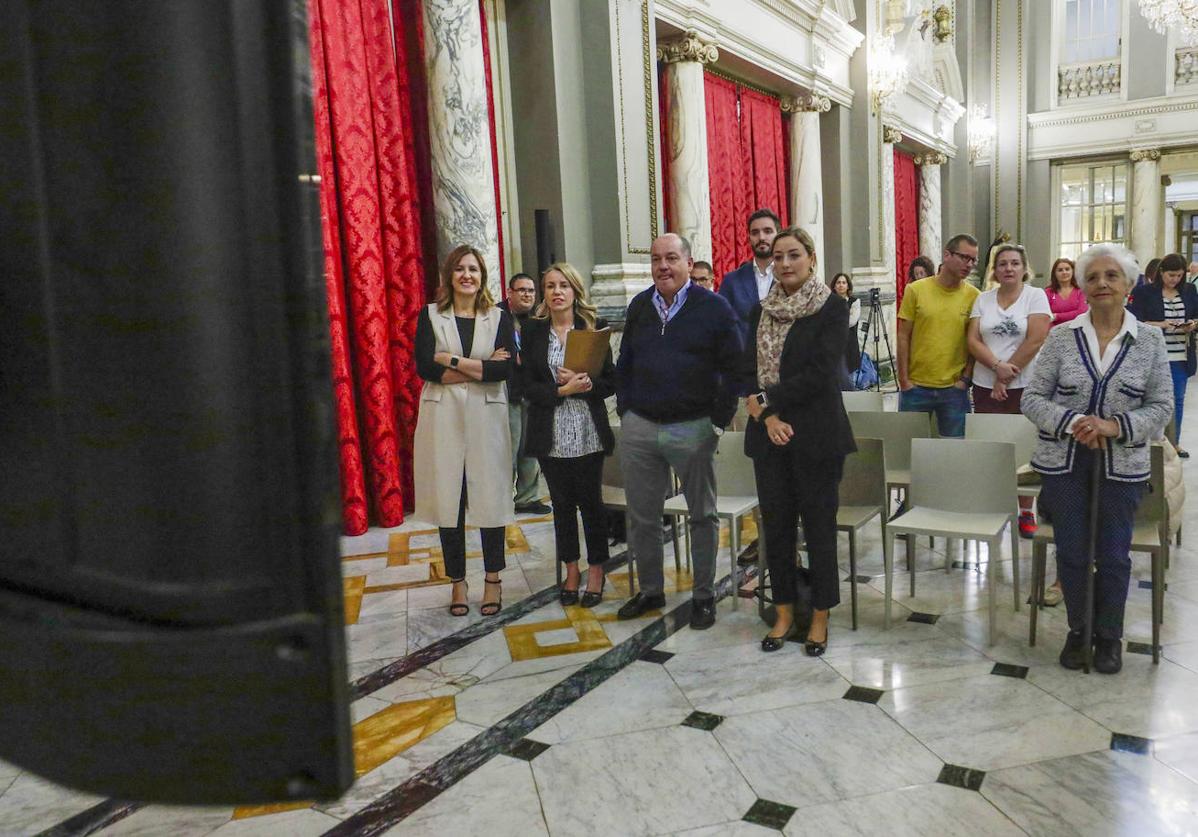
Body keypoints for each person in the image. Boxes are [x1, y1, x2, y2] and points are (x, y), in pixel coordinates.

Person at [1022, 243, 1172, 674]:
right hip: (1064, 466)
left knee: (1113, 555)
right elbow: (1033, 398)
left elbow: (1161, 406)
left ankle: (1109, 638)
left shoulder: (1150, 341)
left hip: (1122, 468)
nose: (1102, 283)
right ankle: (1077, 631)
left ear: (1129, 284)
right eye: (1093, 277)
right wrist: (1074, 422)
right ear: (1083, 287)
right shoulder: (1061, 337)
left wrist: (1113, 426)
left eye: (1111, 276)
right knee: (1070, 552)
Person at [616, 233, 743, 628]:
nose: (663, 267)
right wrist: (626, 409)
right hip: (640, 426)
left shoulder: (715, 308)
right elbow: (626, 362)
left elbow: (736, 366)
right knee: (643, 516)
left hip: (693, 427)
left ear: (689, 262)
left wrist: (717, 421)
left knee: (702, 516)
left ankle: (704, 596)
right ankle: (651, 590)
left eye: (671, 258)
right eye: (656, 259)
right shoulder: (640, 306)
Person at [742, 228, 855, 654]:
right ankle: (785, 611)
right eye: (778, 256)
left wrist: (768, 400)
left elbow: (822, 372)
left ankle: (821, 616)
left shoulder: (831, 306)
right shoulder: (760, 310)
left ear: (811, 257)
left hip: (817, 436)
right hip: (768, 434)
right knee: (777, 530)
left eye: (794, 255)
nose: (785, 263)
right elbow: (745, 367)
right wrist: (768, 416)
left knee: (820, 529)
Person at [414, 244, 517, 617]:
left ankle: (493, 580)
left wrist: (453, 361)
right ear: (449, 275)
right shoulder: (430, 316)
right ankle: (458, 582)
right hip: (443, 419)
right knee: (449, 501)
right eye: (460, 269)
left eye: (473, 269)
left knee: (490, 499)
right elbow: (425, 367)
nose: (467, 275)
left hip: (487, 418)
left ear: (482, 276)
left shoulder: (497, 317)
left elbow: (504, 370)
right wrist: (479, 366)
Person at [521, 263, 615, 607]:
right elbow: (527, 388)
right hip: (551, 434)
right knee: (561, 506)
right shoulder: (533, 332)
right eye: (550, 286)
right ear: (544, 294)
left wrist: (585, 384)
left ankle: (596, 571)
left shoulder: (594, 327)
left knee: (591, 504)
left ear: (575, 291)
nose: (557, 291)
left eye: (563, 285)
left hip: (588, 431)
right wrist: (561, 390)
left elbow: (610, 382)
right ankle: (571, 570)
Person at [967, 243, 1051, 538]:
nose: (1009, 269)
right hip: (984, 385)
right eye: (1002, 264)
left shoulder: (1035, 296)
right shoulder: (982, 299)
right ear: (995, 269)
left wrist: (1005, 374)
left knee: (1023, 447)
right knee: (991, 447)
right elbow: (973, 340)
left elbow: (1036, 339)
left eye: (1015, 263)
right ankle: (992, 507)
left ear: (1024, 267)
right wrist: (995, 367)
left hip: (1025, 384)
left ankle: (1026, 510)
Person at [896, 234, 981, 437]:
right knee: (909, 450)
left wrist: (965, 379)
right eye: (964, 257)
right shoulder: (916, 290)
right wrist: (904, 380)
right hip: (915, 388)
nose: (969, 265)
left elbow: (974, 341)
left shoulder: (974, 296)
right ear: (947, 254)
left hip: (954, 390)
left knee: (954, 451)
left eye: (973, 260)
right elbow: (902, 336)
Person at [1128, 253, 1198, 458]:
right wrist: (1162, 325)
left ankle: (1174, 443)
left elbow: (1196, 316)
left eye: (1178, 275)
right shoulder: (1145, 292)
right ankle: (1152, 441)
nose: (1174, 279)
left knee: (1177, 398)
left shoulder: (1189, 290)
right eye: (1170, 275)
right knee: (1150, 399)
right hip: (1153, 354)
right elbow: (1135, 320)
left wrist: (1192, 325)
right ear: (1161, 273)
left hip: (1180, 354)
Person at [500, 272, 551, 515]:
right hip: (507, 391)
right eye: (521, 290)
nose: (527, 294)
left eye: (531, 291)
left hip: (533, 392)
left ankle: (527, 497)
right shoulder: (497, 317)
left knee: (531, 448)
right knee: (507, 450)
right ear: (509, 293)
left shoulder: (539, 320)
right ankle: (500, 499)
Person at [719, 208, 781, 342]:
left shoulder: (789, 278)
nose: (761, 237)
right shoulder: (732, 281)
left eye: (768, 231)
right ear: (749, 237)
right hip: (742, 359)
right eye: (755, 232)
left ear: (778, 234)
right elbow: (721, 325)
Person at [828, 272, 861, 387]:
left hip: (849, 343)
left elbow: (852, 321)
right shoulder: (829, 302)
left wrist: (835, 323)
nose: (841, 285)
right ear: (834, 286)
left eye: (843, 282)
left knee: (848, 378)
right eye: (838, 283)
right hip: (833, 344)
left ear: (848, 286)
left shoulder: (854, 302)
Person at [1046, 257, 1087, 327]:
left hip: (1077, 330)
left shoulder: (1081, 290)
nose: (1064, 272)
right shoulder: (1048, 292)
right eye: (1060, 270)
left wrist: (1056, 316)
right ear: (1055, 273)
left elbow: (1081, 313)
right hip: (1053, 332)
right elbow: (1046, 316)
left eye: (1067, 269)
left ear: (1073, 271)